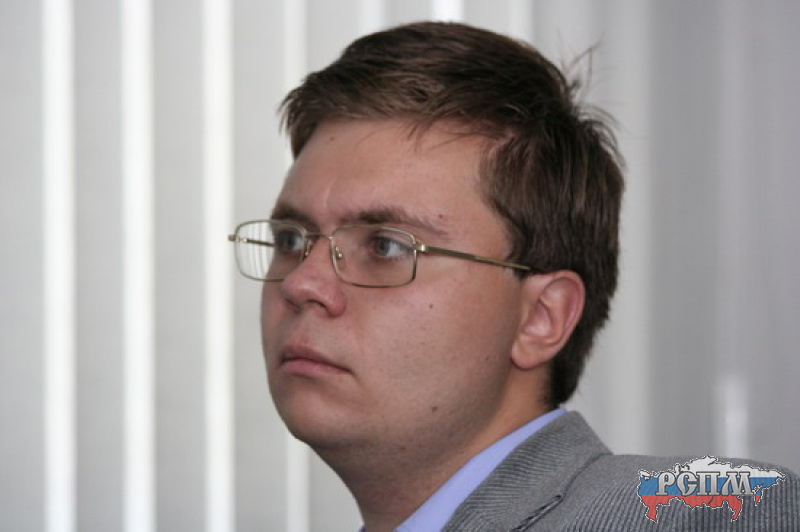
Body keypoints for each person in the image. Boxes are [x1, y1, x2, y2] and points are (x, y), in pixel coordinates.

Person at [229, 21, 799, 531]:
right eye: (291, 240)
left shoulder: (715, 512)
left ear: (540, 318)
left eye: (385, 246)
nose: (302, 284)